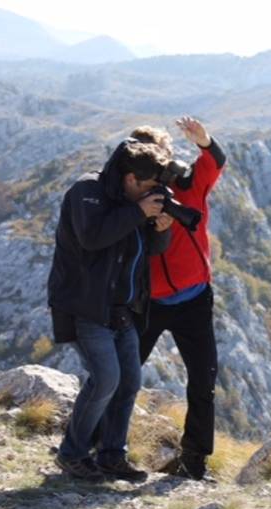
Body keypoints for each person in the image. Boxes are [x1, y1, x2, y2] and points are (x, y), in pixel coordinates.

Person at [47, 139, 174, 482]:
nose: (153, 193)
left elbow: (147, 249)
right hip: (87, 306)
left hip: (123, 309)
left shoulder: (134, 202)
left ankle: (112, 456)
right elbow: (91, 237)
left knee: (129, 382)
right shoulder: (87, 191)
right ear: (130, 178)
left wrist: (161, 231)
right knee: (106, 379)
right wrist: (138, 212)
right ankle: (72, 454)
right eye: (148, 186)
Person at [131, 116, 226, 481]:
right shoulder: (134, 200)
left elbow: (214, 163)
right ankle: (96, 444)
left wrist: (205, 140)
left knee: (203, 380)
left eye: (163, 158)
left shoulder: (189, 187)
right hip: (148, 303)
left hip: (194, 300)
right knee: (121, 374)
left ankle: (194, 462)